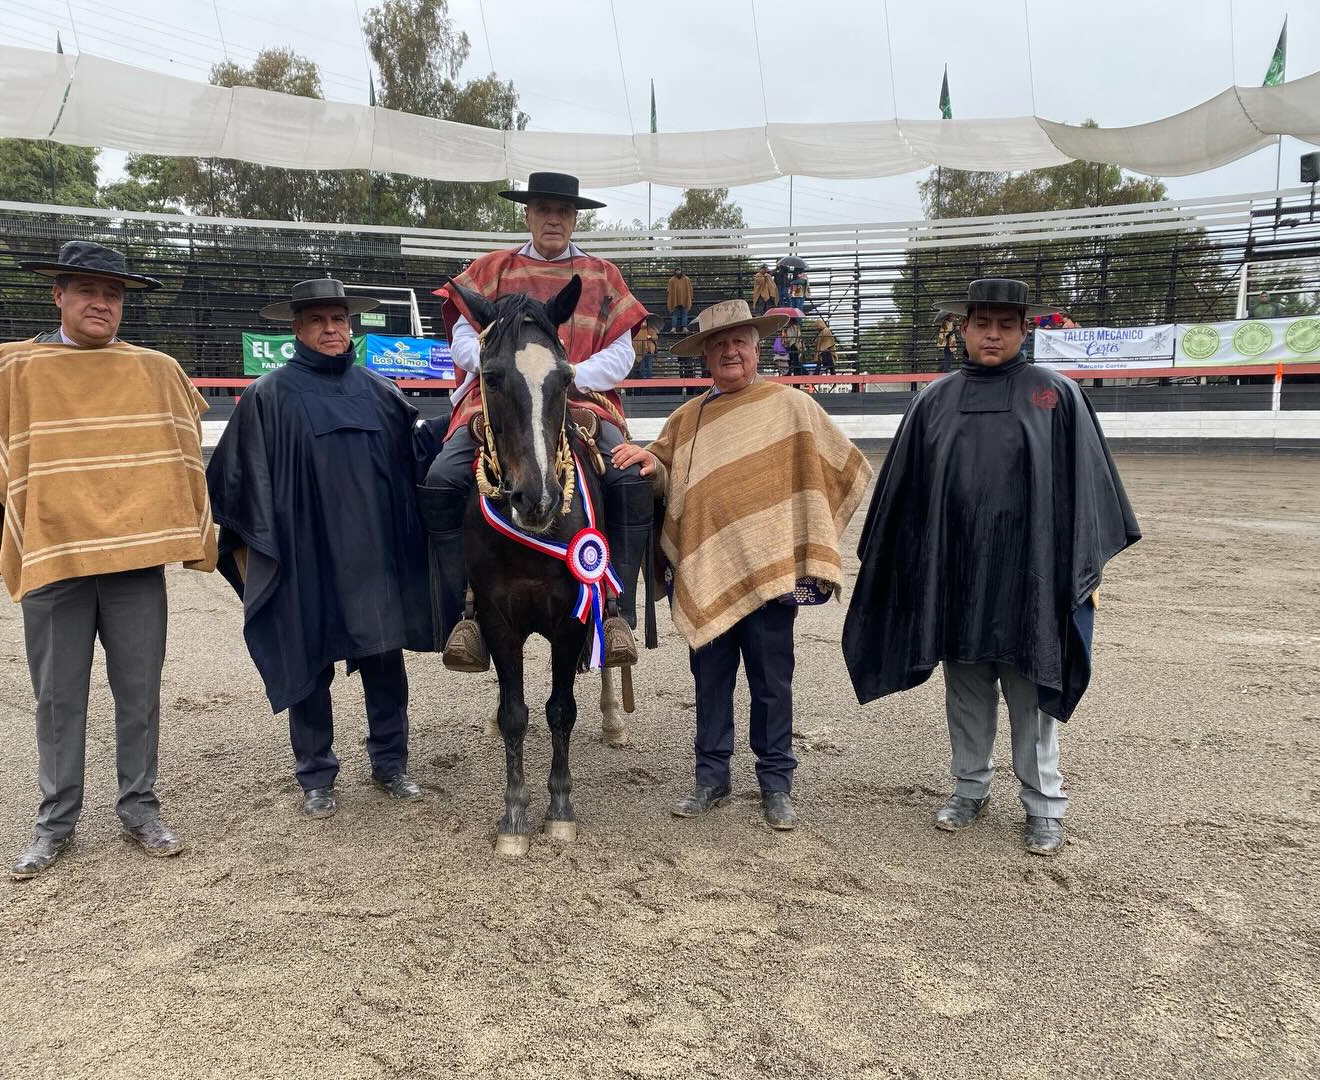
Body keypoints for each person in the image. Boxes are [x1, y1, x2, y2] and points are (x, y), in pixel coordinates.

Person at [842, 278, 1141, 857]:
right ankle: (969, 789)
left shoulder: (1054, 395)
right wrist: (908, 568)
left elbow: (1086, 491)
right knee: (967, 690)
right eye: (983, 324)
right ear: (965, 329)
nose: (994, 335)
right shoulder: (934, 400)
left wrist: (1074, 573)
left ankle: (1043, 806)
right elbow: (904, 497)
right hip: (956, 578)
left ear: (1024, 330)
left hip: (1032, 580)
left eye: (1007, 325)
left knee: (1032, 695)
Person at [0, 241, 217, 880]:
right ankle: (56, 823)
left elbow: (179, 453)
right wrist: (34, 515)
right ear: (59, 296)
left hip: (133, 564)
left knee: (140, 689)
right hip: (53, 557)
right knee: (57, 695)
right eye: (88, 291)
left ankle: (140, 808)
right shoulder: (15, 368)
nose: (102, 303)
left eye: (114, 294)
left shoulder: (154, 371)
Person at [613, 301, 872, 830]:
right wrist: (650, 464)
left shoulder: (792, 407)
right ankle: (712, 777)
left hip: (774, 577)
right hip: (707, 571)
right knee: (709, 681)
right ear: (705, 355)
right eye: (719, 344)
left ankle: (776, 784)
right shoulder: (687, 418)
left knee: (772, 681)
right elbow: (666, 475)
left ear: (758, 349)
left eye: (741, 342)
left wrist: (806, 545)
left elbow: (843, 466)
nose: (730, 351)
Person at [207, 279, 433, 818]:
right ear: (298, 329)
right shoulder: (269, 396)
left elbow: (416, 461)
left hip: (373, 556)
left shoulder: (380, 392)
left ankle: (391, 763)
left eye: (339, 319)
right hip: (304, 555)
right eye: (318, 321)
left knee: (384, 658)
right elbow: (236, 480)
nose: (332, 329)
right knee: (307, 663)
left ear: (351, 326)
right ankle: (315, 775)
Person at [424, 172, 651, 673]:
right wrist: (499, 371)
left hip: (582, 403)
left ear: (574, 219)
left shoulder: (603, 275)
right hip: (498, 403)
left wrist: (564, 378)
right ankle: (461, 616)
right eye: (544, 209)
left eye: (563, 211)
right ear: (526, 214)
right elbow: (462, 337)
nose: (553, 219)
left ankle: (616, 611)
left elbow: (622, 352)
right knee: (441, 481)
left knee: (631, 481)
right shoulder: (489, 269)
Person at [667, 266, 694, 334]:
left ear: (681, 271)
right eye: (677, 270)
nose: (678, 272)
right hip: (675, 300)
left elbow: (690, 289)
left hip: (685, 300)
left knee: (684, 314)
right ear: (675, 271)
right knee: (674, 314)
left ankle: (684, 328)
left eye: (679, 270)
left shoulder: (686, 279)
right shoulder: (672, 280)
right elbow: (669, 290)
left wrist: (690, 297)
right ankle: (673, 328)